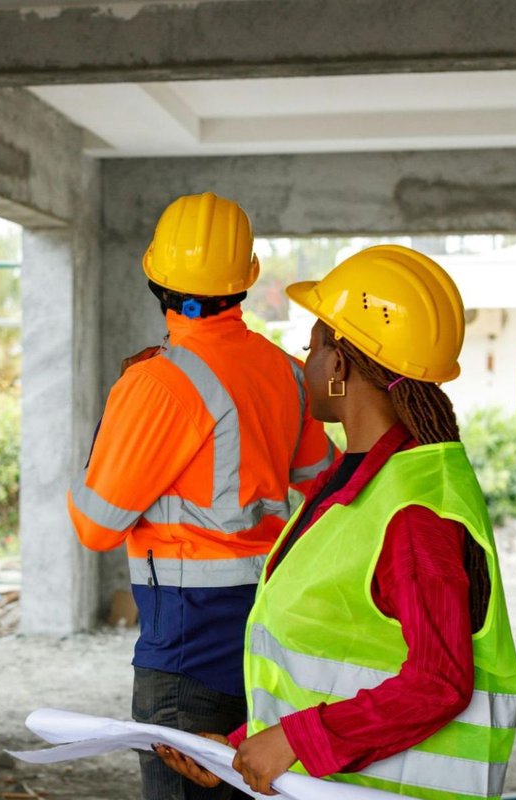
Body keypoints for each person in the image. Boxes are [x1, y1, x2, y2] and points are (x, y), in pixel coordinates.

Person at [156, 244, 516, 800]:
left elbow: (438, 682)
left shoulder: (414, 511)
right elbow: (344, 656)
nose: (304, 363)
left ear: (338, 366)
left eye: (311, 348)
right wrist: (241, 747)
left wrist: (296, 739)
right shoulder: (356, 483)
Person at [67, 192, 337, 800]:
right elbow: (322, 481)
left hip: (186, 650)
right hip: (268, 637)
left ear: (154, 276)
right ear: (246, 280)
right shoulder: (287, 371)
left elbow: (96, 525)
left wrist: (116, 425)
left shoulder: (156, 382)